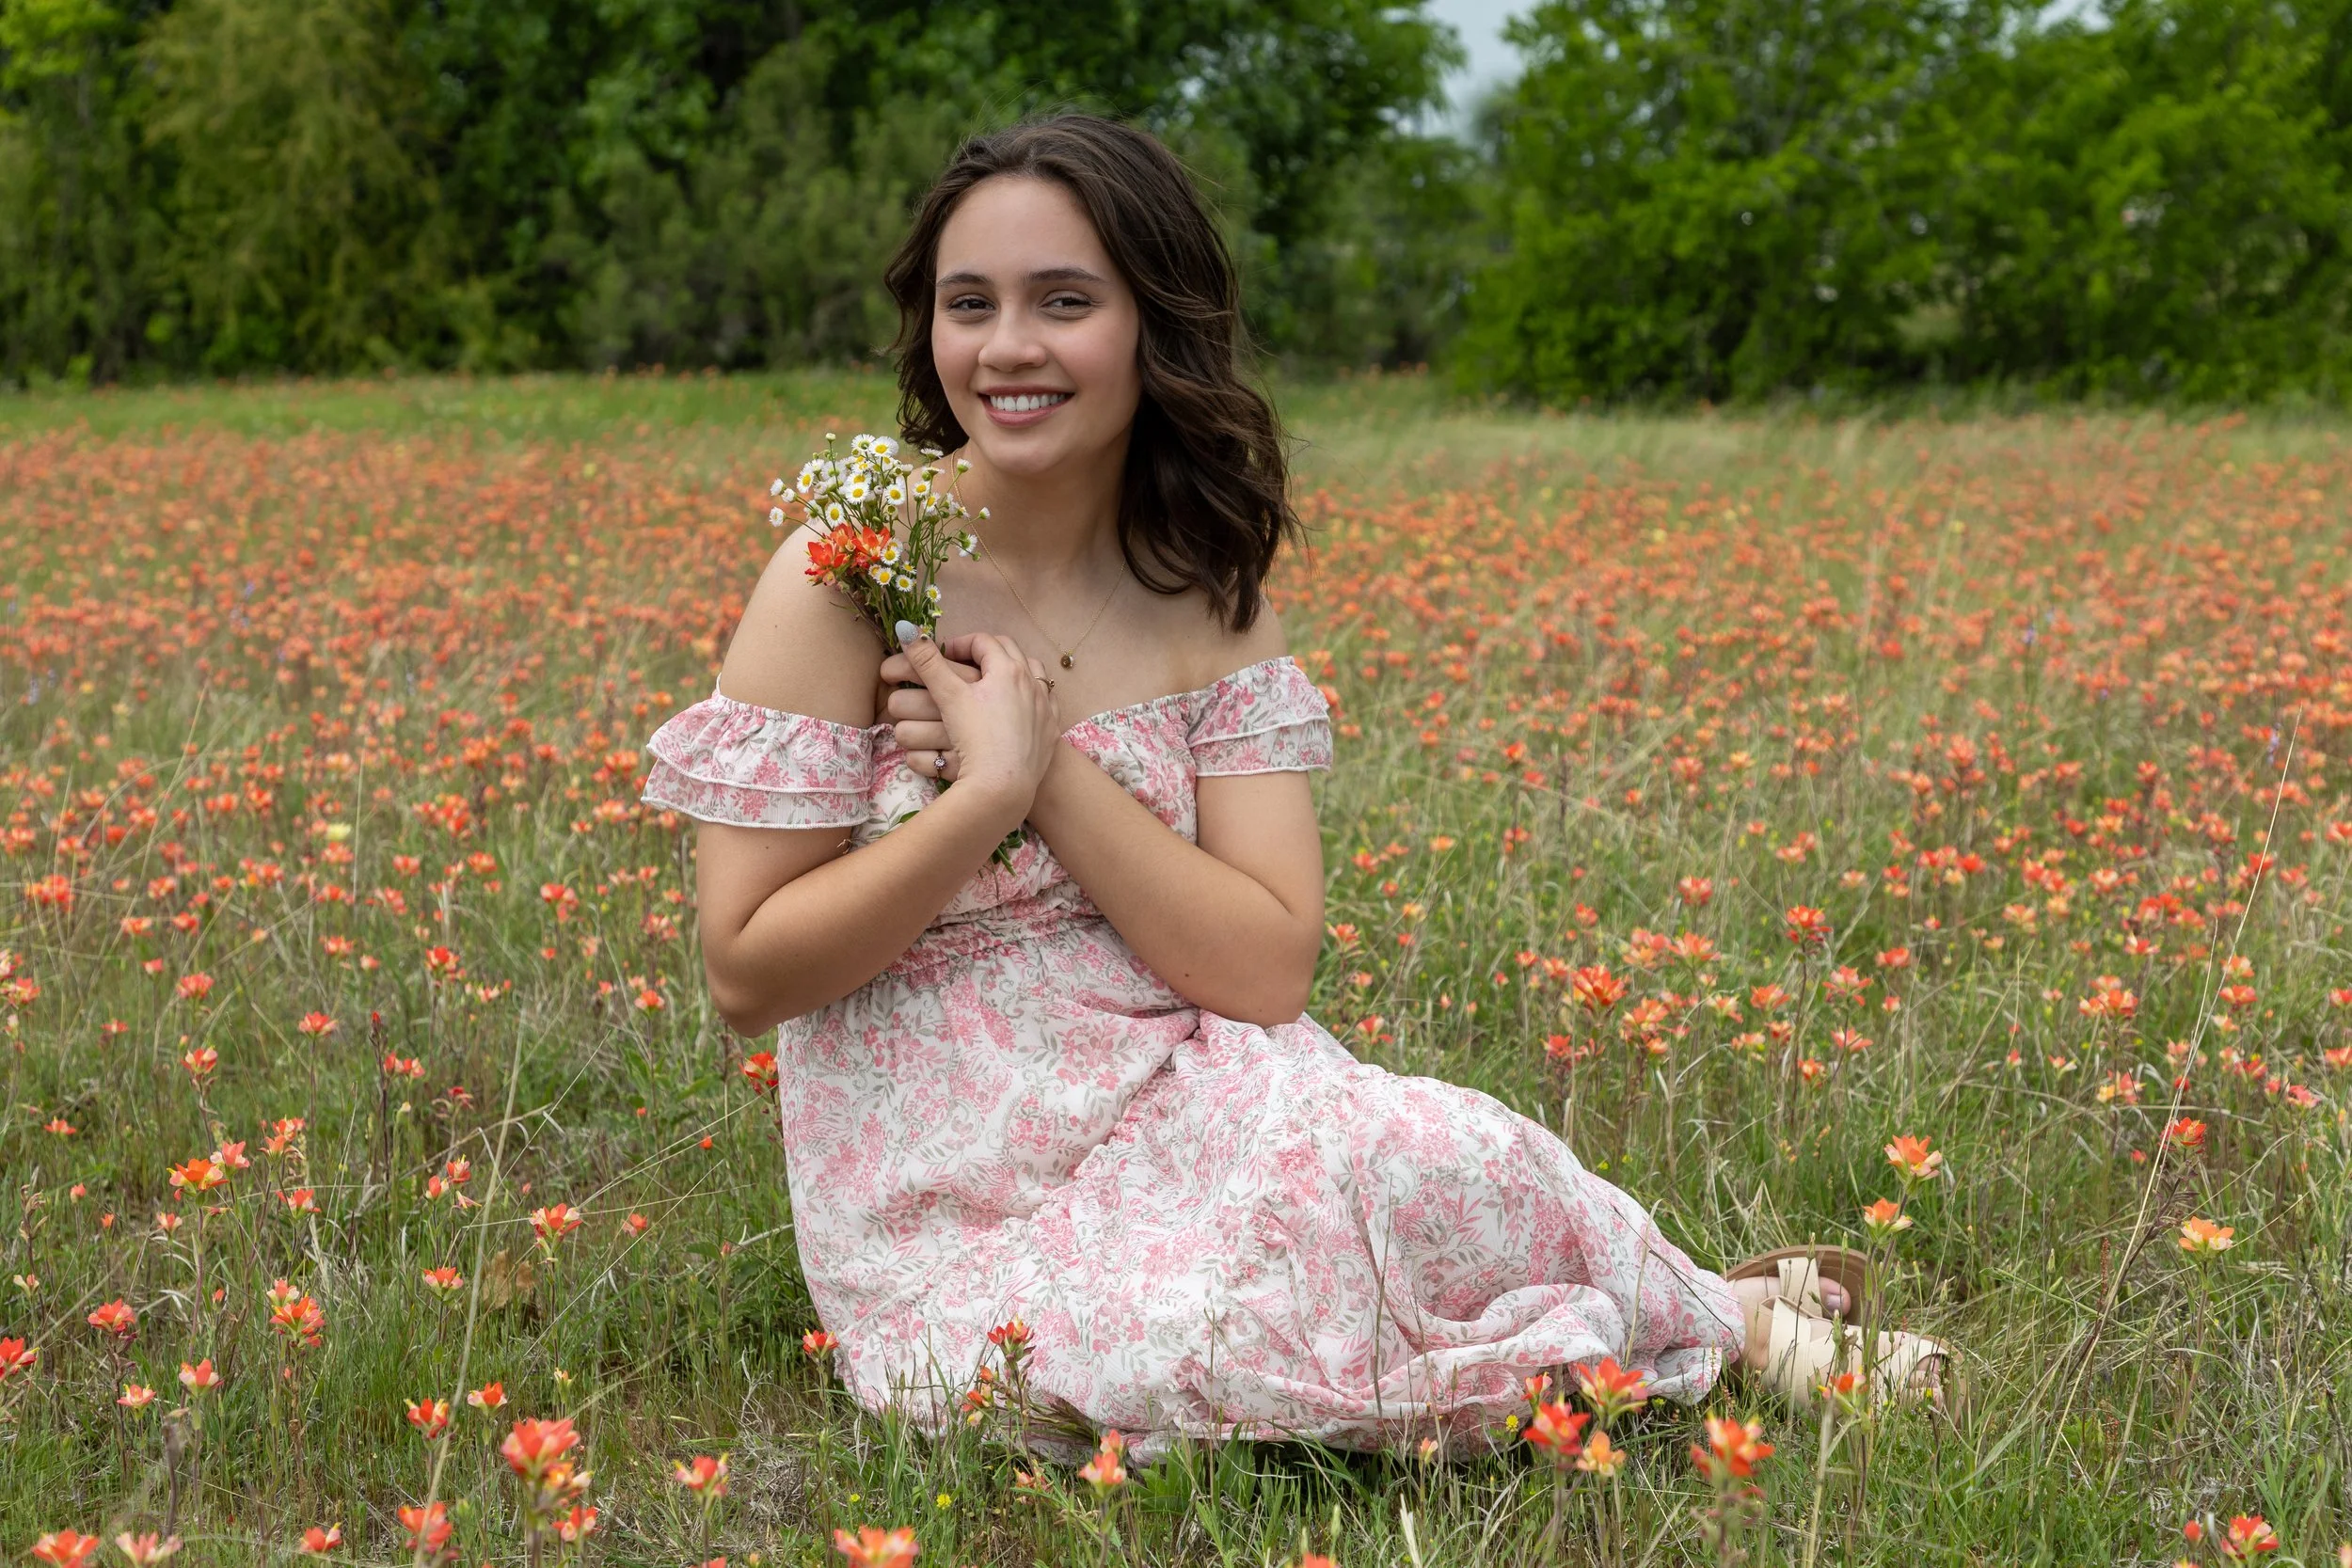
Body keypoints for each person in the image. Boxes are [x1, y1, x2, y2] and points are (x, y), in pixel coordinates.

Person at [641, 114, 1944, 1457]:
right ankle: (1732, 1318)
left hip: (1195, 1099)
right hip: (954, 1195)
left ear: (1159, 325)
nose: (1007, 347)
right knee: (1209, 1334)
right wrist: (976, 802)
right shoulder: (854, 576)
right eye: (968, 304)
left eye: (1065, 301)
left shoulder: (1201, 588)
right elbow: (747, 971)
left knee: (1435, 1160)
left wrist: (1043, 773)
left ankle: (1719, 1321)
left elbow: (1265, 971)